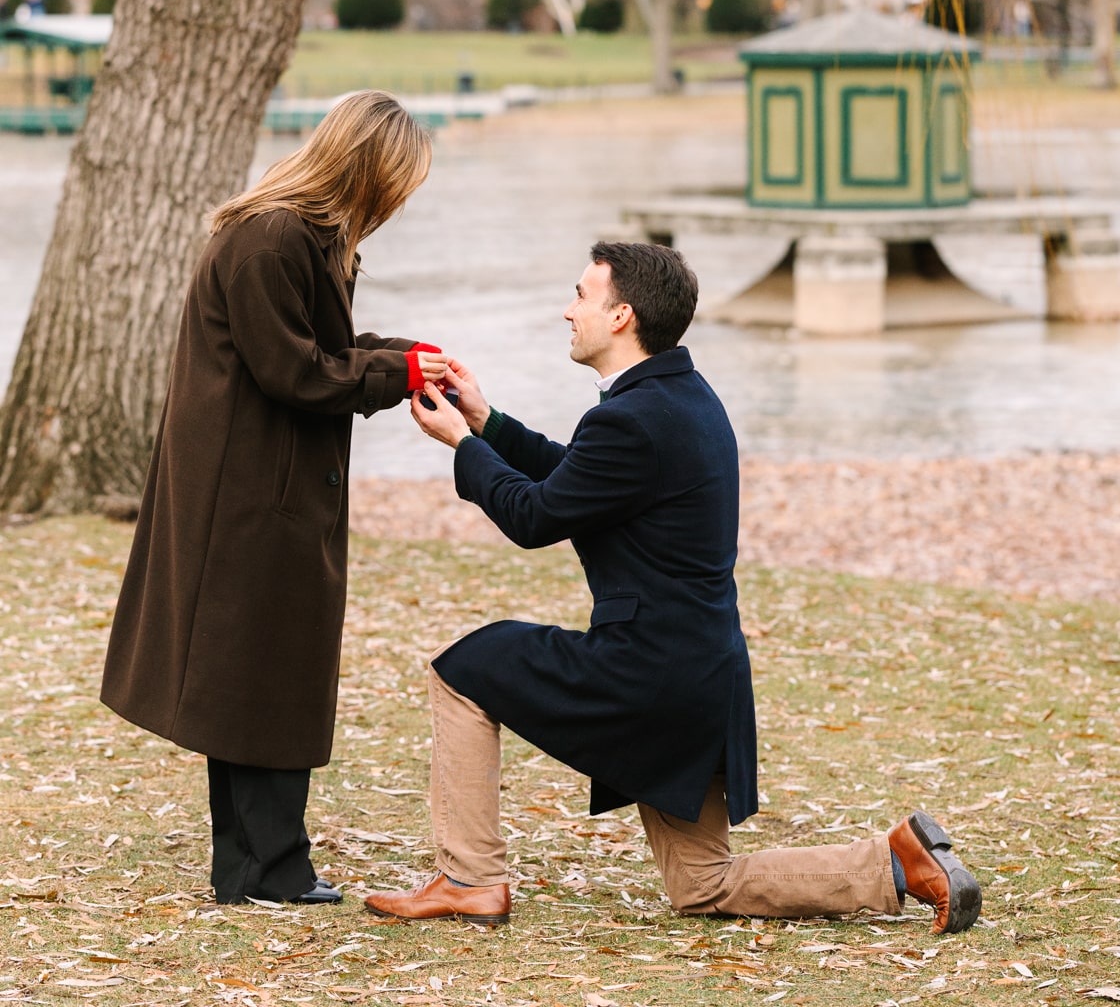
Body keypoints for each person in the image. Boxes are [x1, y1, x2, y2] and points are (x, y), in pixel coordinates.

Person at [363, 241, 982, 935]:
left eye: (580, 295)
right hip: (701, 676)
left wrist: (463, 446)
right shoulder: (677, 398)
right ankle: (898, 864)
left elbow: (536, 517)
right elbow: (576, 482)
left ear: (621, 315)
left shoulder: (632, 418)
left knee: (466, 668)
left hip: (646, 672)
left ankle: (470, 879)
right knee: (700, 884)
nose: (567, 311)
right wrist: (486, 421)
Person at [102, 92, 445, 907]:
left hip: (269, 480)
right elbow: (293, 371)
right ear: (362, 171)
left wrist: (411, 356)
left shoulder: (306, 239)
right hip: (251, 490)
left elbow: (317, 349)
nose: (395, 203)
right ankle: (269, 870)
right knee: (260, 674)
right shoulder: (272, 239)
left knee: (259, 672)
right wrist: (395, 374)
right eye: (392, 183)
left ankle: (255, 867)